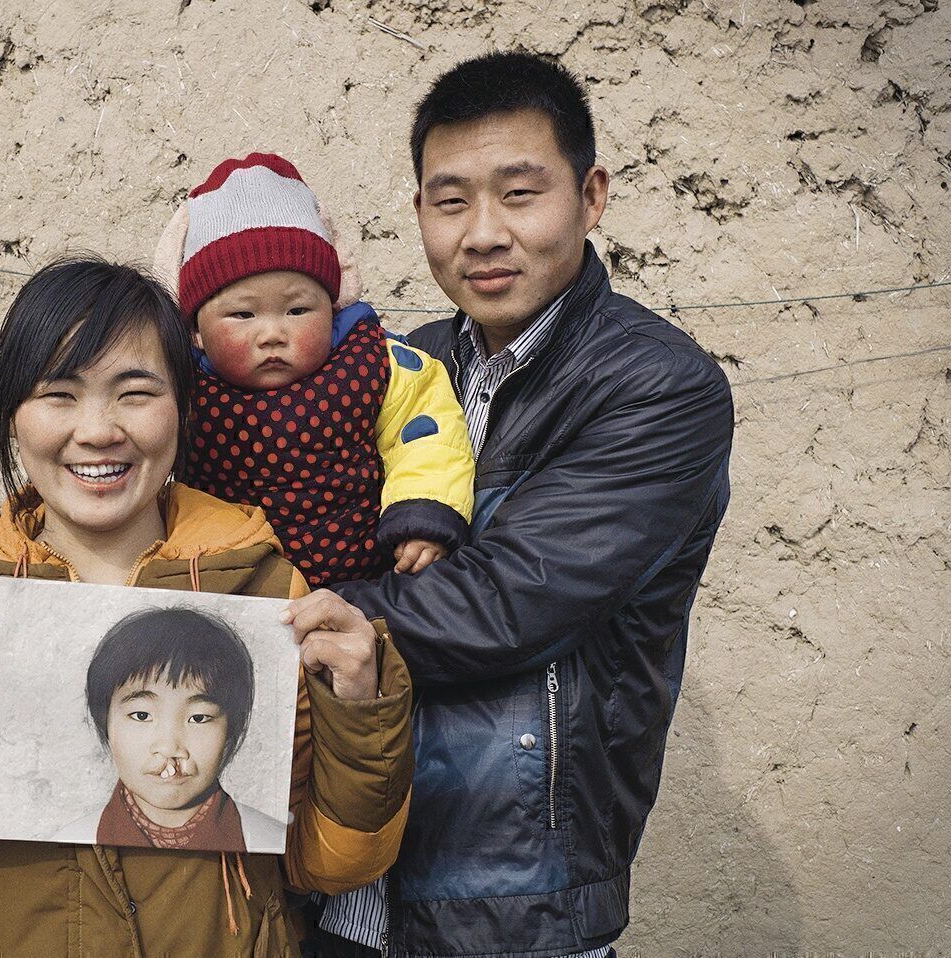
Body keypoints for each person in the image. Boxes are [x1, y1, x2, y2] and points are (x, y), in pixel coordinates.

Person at [0, 256, 414, 957]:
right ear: (13, 415)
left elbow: (337, 863)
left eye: (135, 393)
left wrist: (361, 708)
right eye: (59, 396)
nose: (98, 430)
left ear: (183, 409)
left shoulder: (263, 591)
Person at [306, 53, 736, 958]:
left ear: (591, 196)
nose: (483, 233)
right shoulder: (396, 368)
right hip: (346, 883)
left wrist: (267, 616)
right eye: (450, 200)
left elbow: (500, 606)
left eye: (520, 193)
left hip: (510, 904)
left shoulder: (659, 388)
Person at [154, 153, 475, 587]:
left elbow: (426, 435)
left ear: (333, 305)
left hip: (366, 583)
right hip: (230, 586)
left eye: (298, 309)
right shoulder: (179, 388)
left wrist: (423, 510)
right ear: (195, 330)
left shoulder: (375, 362)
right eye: (242, 315)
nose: (272, 333)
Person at [50, 606, 284, 853]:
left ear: (231, 730)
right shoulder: (68, 843)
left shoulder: (270, 841)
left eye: (199, 718)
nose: (170, 747)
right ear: (105, 723)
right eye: (142, 715)